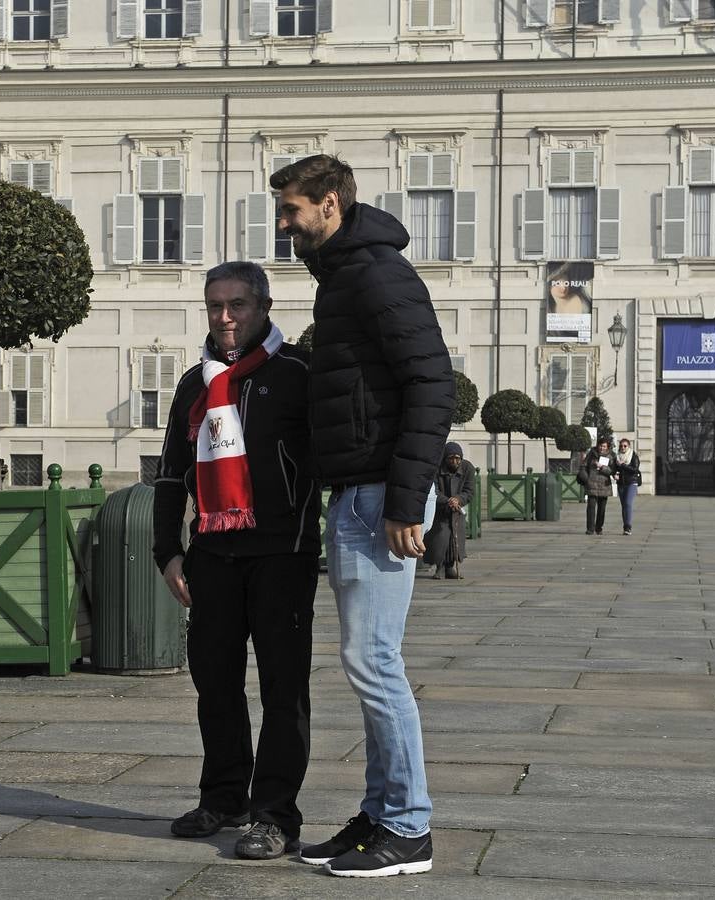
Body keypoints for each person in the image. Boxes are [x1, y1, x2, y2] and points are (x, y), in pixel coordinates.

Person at [272, 154, 454, 877]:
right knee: (366, 661)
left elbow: (430, 382)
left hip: (383, 495)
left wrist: (407, 500)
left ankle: (408, 827)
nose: (283, 223)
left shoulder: (374, 273)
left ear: (328, 204)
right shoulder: (345, 275)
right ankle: (379, 815)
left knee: (373, 662)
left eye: (291, 210)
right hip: (358, 491)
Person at [152, 260, 321, 862]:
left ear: (264, 306)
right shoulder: (195, 384)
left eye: (237, 305)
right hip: (212, 555)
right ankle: (223, 797)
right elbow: (171, 472)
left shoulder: (298, 371)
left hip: (283, 553)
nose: (225, 318)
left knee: (283, 689)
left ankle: (275, 816)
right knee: (215, 685)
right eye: (215, 305)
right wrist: (167, 551)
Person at [423, 442, 473, 579]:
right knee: (440, 538)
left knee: (456, 538)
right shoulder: (436, 468)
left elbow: (469, 491)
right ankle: (440, 566)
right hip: (440, 510)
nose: (454, 461)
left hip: (457, 510)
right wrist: (448, 500)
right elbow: (433, 490)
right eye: (451, 458)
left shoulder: (468, 468)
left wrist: (458, 499)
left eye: (458, 458)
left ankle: (451, 566)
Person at [581, 436, 617, 535]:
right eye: (601, 446)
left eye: (604, 446)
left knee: (602, 509)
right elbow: (584, 466)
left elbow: (612, 471)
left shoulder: (611, 456)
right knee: (591, 508)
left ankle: (599, 527)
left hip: (604, 486)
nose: (602, 448)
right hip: (592, 483)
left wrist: (602, 467)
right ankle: (590, 529)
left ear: (608, 447)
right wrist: (585, 477)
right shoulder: (591, 454)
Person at [614, 437, 642, 536]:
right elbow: (614, 469)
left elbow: (635, 469)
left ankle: (628, 527)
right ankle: (625, 527)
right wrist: (614, 474)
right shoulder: (617, 457)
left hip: (632, 482)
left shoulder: (633, 456)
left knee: (628, 503)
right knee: (623, 506)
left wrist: (623, 465)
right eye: (621, 446)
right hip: (621, 483)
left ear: (629, 446)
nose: (623, 448)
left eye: (625, 446)